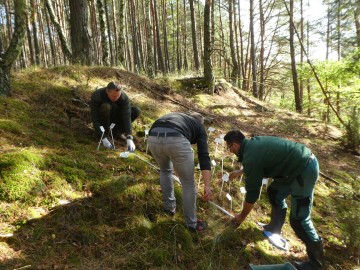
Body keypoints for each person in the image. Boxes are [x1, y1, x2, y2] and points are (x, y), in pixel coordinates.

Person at [224, 130, 324, 270]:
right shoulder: (252, 144)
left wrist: (241, 216)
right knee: (274, 192)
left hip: (304, 169)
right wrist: (240, 172)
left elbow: (252, 193)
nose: (229, 151)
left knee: (299, 219)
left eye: (229, 148)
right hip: (293, 167)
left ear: (234, 145)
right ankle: (274, 228)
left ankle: (316, 263)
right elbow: (260, 161)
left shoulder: (250, 156)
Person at [147, 112, 213, 232]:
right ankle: (191, 224)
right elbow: (204, 156)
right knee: (188, 183)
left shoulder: (179, 117)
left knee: (165, 171)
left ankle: (169, 208)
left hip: (153, 137)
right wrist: (207, 185)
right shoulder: (199, 126)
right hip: (176, 138)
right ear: (200, 123)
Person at [90, 82, 140, 151]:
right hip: (104, 121)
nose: (116, 98)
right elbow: (95, 118)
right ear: (107, 91)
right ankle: (106, 134)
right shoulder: (97, 96)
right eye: (113, 96)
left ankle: (117, 132)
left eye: (118, 96)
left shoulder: (124, 97)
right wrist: (103, 137)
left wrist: (129, 136)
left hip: (115, 118)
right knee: (106, 107)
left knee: (135, 110)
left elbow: (127, 116)